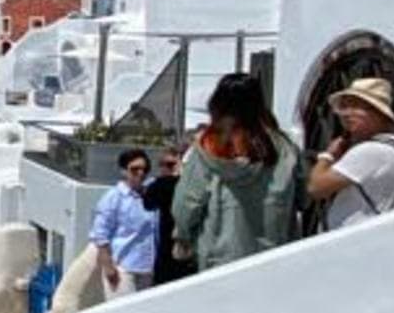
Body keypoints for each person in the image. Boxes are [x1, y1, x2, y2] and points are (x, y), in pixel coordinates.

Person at [173, 72, 301, 272]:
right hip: (274, 258)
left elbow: (187, 203)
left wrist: (183, 237)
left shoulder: (208, 148)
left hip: (220, 260)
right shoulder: (285, 147)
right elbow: (305, 196)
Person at [305, 76, 394, 228]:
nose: (347, 113)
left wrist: (327, 156)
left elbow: (316, 188)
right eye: (344, 107)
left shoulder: (369, 151)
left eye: (356, 107)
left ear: (379, 113)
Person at [90, 146, 156, 295]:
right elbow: (100, 233)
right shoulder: (114, 197)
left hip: (148, 269)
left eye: (144, 169)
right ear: (124, 171)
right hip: (123, 269)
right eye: (135, 169)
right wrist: (108, 266)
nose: (140, 173)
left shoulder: (151, 194)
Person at [142, 148, 187, 282]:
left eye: (171, 165)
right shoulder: (158, 185)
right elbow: (148, 202)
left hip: (183, 250)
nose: (167, 169)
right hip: (163, 251)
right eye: (163, 165)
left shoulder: (186, 185)